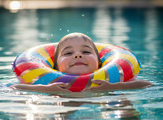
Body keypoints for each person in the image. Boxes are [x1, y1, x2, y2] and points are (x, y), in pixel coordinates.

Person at [11, 33, 152, 93]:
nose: (78, 55)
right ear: (54, 67)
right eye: (68, 53)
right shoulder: (51, 85)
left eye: (86, 52)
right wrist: (46, 89)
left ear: (100, 63)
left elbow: (147, 84)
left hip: (104, 105)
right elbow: (13, 88)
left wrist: (115, 86)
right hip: (59, 101)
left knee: (123, 104)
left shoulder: (108, 83)